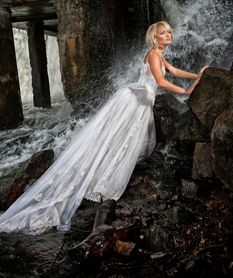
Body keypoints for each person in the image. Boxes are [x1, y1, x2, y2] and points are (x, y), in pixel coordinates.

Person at [0, 21, 206, 235]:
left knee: (122, 140)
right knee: (115, 140)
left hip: (140, 100)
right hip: (134, 100)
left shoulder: (159, 54)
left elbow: (173, 70)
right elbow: (162, 82)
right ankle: (98, 177)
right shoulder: (153, 55)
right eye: (163, 33)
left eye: (169, 32)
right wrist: (185, 92)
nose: (168, 35)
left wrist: (196, 76)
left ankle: (102, 170)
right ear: (155, 37)